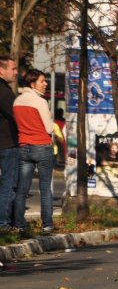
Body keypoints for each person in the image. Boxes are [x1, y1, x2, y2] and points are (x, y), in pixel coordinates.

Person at [13, 69, 56, 234]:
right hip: (42, 146)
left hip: (24, 146)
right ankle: (47, 225)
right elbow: (48, 127)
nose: (45, 84)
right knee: (45, 188)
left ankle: (19, 225)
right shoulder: (40, 102)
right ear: (33, 84)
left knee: (22, 189)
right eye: (42, 81)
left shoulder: (17, 101)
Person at [0, 56, 20, 233]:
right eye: (12, 69)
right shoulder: (4, 92)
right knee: (9, 184)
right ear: (1, 70)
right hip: (7, 144)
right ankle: (4, 224)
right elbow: (16, 116)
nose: (16, 72)